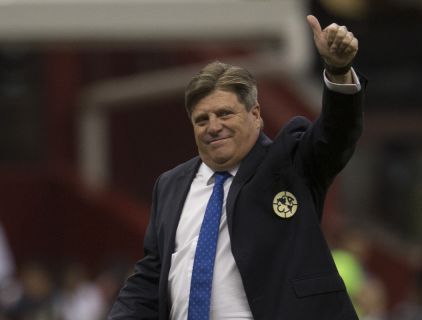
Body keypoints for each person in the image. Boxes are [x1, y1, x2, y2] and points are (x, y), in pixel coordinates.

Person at [109, 14, 366, 320]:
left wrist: (338, 71)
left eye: (224, 114)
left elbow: (335, 135)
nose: (213, 126)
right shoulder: (170, 185)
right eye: (202, 119)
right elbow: (151, 276)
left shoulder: (290, 161)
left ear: (255, 114)